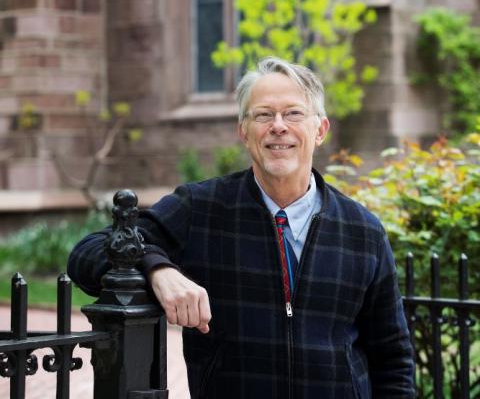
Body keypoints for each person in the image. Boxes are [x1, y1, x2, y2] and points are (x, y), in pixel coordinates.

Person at [68, 56, 415, 398]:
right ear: (244, 132)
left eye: (294, 113)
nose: (279, 125)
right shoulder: (200, 208)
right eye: (263, 115)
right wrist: (158, 269)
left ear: (320, 130)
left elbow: (393, 357)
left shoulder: (363, 231)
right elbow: (88, 253)